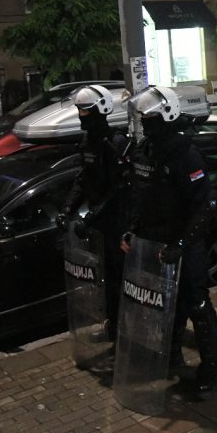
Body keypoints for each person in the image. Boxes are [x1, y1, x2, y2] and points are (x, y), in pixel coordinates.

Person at [126, 86, 217, 400]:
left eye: (151, 117)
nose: (145, 122)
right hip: (155, 242)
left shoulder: (185, 153)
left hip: (184, 244)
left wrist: (181, 244)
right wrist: (132, 231)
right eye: (143, 117)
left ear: (168, 113)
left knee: (196, 302)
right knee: (166, 304)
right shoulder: (146, 150)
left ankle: (213, 367)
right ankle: (171, 356)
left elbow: (202, 206)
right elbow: (141, 197)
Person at [56, 84, 130, 340]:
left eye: (85, 110)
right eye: (79, 110)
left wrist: (92, 216)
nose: (80, 115)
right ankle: (113, 328)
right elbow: (83, 179)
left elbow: (120, 188)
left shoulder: (116, 142)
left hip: (116, 222)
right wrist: (67, 209)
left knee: (119, 279)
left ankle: (126, 332)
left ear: (101, 110)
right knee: (105, 279)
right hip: (98, 223)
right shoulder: (88, 141)